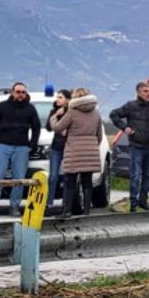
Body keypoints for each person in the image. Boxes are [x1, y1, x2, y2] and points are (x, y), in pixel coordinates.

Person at [0, 82, 41, 216]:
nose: (21, 94)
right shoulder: (2, 106)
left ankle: (14, 206)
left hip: (22, 148)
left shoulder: (30, 109)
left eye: (23, 92)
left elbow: (36, 128)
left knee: (19, 178)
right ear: (12, 92)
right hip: (3, 146)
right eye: (18, 92)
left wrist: (31, 146)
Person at [109, 81, 149, 211]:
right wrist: (125, 128)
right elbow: (114, 114)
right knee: (135, 175)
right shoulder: (131, 106)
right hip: (136, 146)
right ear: (139, 92)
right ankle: (133, 202)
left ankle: (143, 201)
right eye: (146, 91)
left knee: (147, 175)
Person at [50, 87, 103, 217]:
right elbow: (99, 135)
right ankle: (86, 211)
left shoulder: (72, 112)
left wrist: (54, 116)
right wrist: (92, 145)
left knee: (70, 181)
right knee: (87, 181)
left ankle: (67, 210)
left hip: (74, 150)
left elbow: (57, 128)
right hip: (90, 151)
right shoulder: (96, 113)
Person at [45, 89, 71, 208]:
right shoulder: (53, 111)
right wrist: (56, 115)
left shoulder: (72, 112)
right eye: (57, 97)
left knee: (67, 177)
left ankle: (65, 203)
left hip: (68, 147)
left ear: (67, 100)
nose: (57, 99)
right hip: (56, 147)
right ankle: (48, 203)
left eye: (60, 97)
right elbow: (48, 128)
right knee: (53, 176)